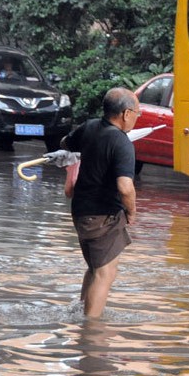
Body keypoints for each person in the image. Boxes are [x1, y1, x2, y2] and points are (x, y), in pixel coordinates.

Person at [61, 87, 140, 319]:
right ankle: (91, 331)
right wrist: (132, 212)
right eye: (137, 113)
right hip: (103, 216)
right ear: (126, 113)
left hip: (81, 212)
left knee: (95, 269)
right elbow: (125, 187)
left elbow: (66, 143)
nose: (137, 118)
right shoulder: (123, 143)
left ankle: (81, 312)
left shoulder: (90, 127)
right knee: (105, 273)